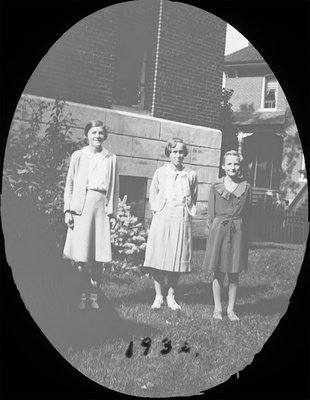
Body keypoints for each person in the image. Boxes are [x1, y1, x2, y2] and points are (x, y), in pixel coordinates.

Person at [63, 120, 119, 310]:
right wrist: (68, 210)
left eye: (101, 133)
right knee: (80, 256)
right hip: (81, 208)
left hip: (101, 208)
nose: (97, 136)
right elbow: (69, 184)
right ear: (87, 135)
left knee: (98, 256)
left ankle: (94, 296)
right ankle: (82, 294)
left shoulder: (111, 158)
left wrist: (113, 214)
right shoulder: (78, 156)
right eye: (94, 133)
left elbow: (115, 188)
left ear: (105, 136)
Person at [143, 138, 198, 310]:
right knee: (159, 256)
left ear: (185, 154)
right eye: (174, 151)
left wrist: (186, 210)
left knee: (177, 256)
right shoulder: (160, 172)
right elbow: (153, 194)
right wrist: (157, 211)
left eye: (181, 152)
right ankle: (158, 296)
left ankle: (171, 296)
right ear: (169, 153)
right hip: (163, 215)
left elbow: (193, 197)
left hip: (181, 216)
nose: (178, 155)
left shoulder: (190, 174)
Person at [203, 150, 251, 321]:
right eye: (229, 164)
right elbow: (210, 213)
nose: (233, 167)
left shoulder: (246, 187)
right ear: (223, 166)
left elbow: (248, 213)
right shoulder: (216, 186)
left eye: (236, 164)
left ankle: (231, 309)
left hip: (237, 230)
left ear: (240, 166)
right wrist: (211, 231)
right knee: (218, 271)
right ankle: (217, 309)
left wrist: (244, 233)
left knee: (234, 271)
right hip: (219, 230)